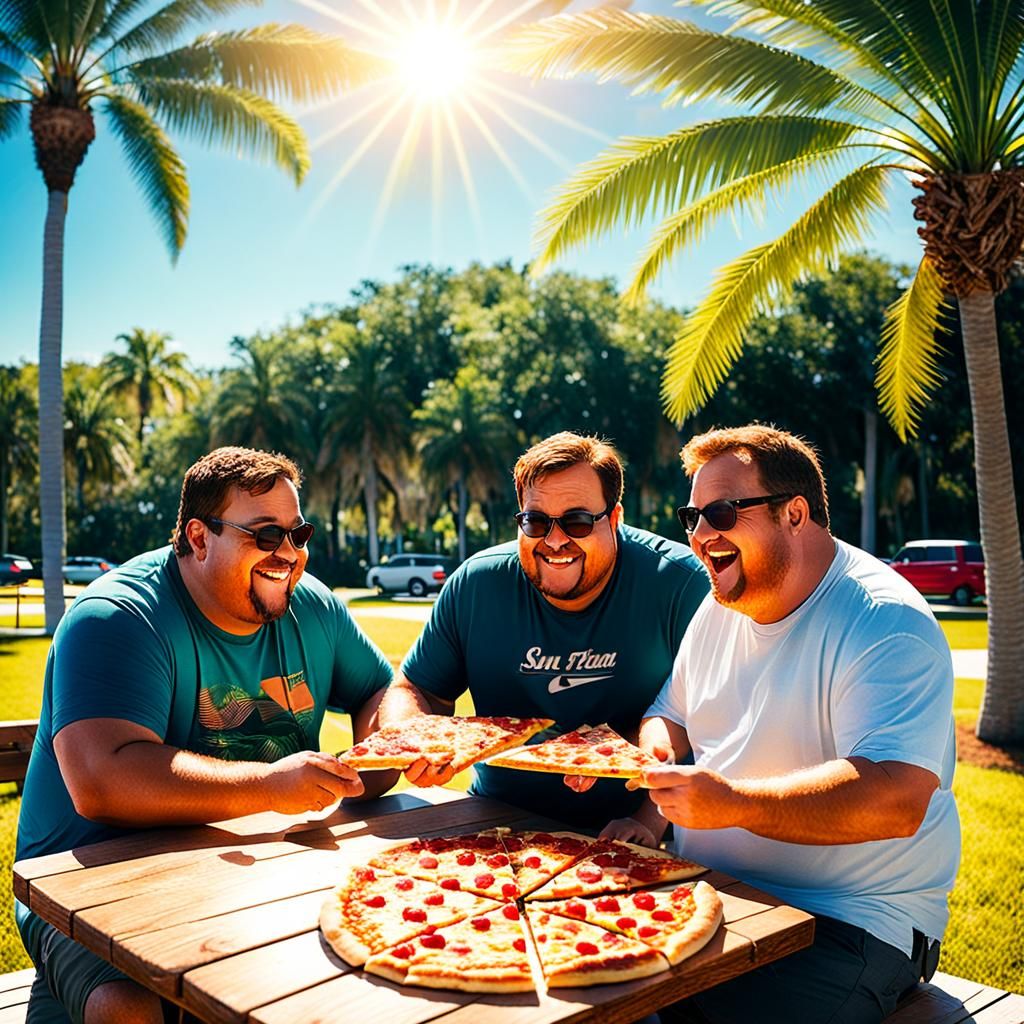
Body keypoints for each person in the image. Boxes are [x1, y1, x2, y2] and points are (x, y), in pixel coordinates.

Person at [16, 446, 398, 1024]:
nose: (289, 555)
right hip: (86, 883)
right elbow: (103, 780)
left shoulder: (313, 607)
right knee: (130, 1008)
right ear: (199, 538)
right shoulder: (118, 617)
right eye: (266, 535)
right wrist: (271, 785)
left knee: (358, 973)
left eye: (299, 534)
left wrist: (389, 743)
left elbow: (380, 692)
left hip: (246, 872)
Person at [625, 425, 960, 1024]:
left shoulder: (885, 621)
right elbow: (668, 717)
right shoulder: (719, 606)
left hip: (851, 921)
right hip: (711, 892)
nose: (701, 536)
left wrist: (731, 803)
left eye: (722, 512)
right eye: (693, 516)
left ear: (795, 513)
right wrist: (653, 785)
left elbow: (893, 800)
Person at [379, 431, 709, 831]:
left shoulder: (681, 583)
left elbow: (705, 717)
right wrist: (410, 737)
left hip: (645, 828)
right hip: (497, 824)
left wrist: (648, 821)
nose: (555, 540)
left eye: (577, 521)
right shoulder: (476, 584)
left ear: (616, 519)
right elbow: (413, 689)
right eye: (536, 522)